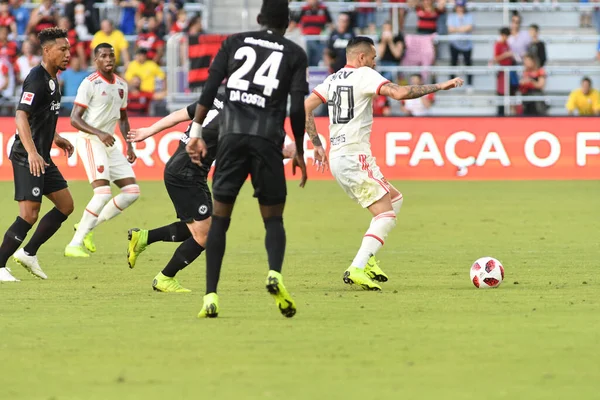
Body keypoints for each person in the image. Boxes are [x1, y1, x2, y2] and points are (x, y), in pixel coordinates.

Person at [304, 36, 462, 291]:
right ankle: (357, 266)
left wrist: (316, 144)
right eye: (374, 57)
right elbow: (400, 93)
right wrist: (441, 86)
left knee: (395, 199)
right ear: (362, 58)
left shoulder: (332, 80)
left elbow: (306, 106)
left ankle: (369, 260)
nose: (376, 62)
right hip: (356, 156)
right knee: (386, 215)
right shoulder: (365, 74)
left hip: (339, 156)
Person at [185, 0, 309, 318]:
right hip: (267, 139)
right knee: (273, 220)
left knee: (220, 222)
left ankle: (210, 296)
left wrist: (196, 131)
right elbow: (297, 108)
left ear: (258, 18)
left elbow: (210, 88)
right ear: (288, 24)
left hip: (231, 137)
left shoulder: (234, 42)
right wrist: (300, 150)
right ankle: (274, 274)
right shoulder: (295, 53)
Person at [126, 93, 297, 292]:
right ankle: (165, 278)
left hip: (187, 171)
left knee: (202, 225)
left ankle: (144, 237)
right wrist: (286, 151)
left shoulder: (218, 98)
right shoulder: (239, 118)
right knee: (206, 235)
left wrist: (149, 130)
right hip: (186, 174)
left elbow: (177, 115)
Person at [0, 27, 74, 282]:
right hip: (26, 155)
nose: (68, 54)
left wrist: (56, 137)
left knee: (66, 205)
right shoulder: (36, 79)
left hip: (42, 155)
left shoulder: (54, 81)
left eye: (68, 49)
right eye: (62, 49)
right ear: (47, 50)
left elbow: (41, 116)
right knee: (29, 214)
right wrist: (32, 152)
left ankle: (29, 253)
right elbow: (21, 115)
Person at [64, 43, 139, 258]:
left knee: (132, 193)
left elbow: (123, 118)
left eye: (111, 55)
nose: (108, 59)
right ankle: (74, 244)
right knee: (103, 193)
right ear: (96, 61)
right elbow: (74, 119)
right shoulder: (90, 84)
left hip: (109, 142)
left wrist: (129, 144)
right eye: (103, 56)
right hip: (90, 140)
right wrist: (99, 133)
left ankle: (87, 227)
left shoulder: (122, 85)